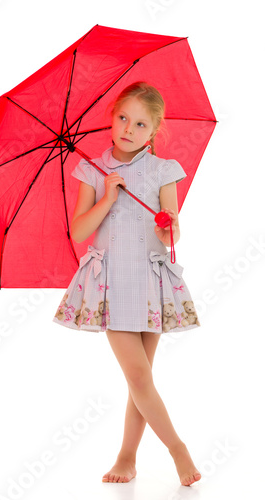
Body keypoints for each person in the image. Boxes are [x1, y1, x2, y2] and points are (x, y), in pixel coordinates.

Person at [53, 81, 202, 486]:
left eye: (140, 124)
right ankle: (177, 448)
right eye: (123, 118)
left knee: (142, 378)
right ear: (111, 117)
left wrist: (170, 225)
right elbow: (81, 230)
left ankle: (127, 456)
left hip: (151, 280)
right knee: (138, 375)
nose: (128, 129)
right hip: (112, 283)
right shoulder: (92, 170)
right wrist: (107, 198)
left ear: (153, 132)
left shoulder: (163, 171)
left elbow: (170, 238)